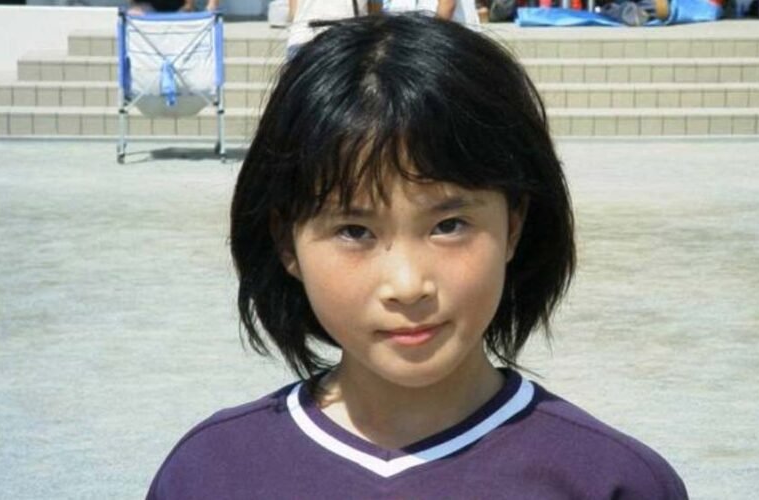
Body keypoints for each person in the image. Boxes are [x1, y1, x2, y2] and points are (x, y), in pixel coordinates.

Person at [146, 14, 688, 499]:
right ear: (288, 245)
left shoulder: (610, 482)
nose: (407, 285)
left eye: (449, 225)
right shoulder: (210, 474)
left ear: (513, 226)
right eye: (354, 231)